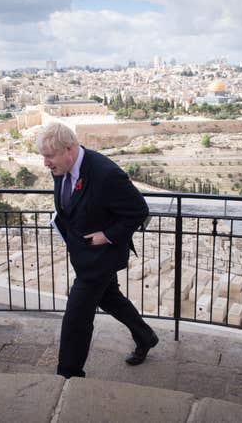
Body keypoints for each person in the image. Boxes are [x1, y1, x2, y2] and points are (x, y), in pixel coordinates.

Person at [37, 123, 158, 379]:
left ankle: (68, 375)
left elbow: (138, 210)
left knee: (76, 318)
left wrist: (107, 236)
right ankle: (145, 336)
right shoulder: (61, 167)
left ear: (69, 150)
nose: (45, 163)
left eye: (49, 156)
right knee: (110, 298)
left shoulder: (105, 174)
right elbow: (70, 205)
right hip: (82, 255)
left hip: (101, 259)